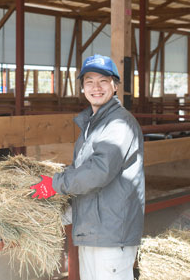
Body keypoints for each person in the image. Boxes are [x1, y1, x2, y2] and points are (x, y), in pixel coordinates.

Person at [30, 54, 145, 280]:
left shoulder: (119, 124)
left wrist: (55, 185)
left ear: (115, 85)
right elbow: (81, 171)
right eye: (90, 81)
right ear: (82, 87)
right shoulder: (93, 125)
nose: (96, 87)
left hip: (111, 234)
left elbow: (97, 172)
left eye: (103, 81)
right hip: (93, 230)